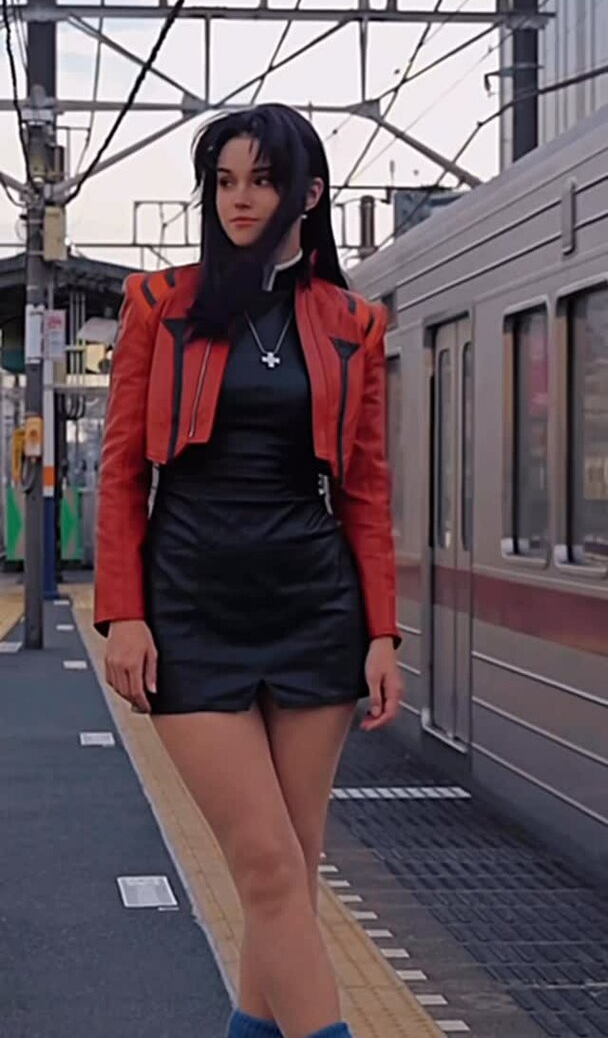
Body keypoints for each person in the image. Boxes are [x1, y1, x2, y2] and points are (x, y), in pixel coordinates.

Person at [94, 103, 403, 1038]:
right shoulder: (160, 305)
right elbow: (121, 470)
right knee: (268, 866)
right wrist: (124, 613)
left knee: (291, 872)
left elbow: (366, 492)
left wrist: (382, 633)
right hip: (189, 608)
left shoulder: (355, 324)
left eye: (262, 182)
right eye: (224, 182)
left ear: (308, 195)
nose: (239, 200)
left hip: (314, 609)